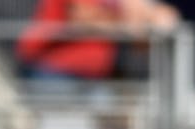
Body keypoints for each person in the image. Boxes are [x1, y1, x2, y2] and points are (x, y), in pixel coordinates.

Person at [15, 0, 180, 81]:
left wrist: (152, 19)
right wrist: (122, 26)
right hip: (52, 70)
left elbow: (161, 16)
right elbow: (82, 17)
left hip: (93, 78)